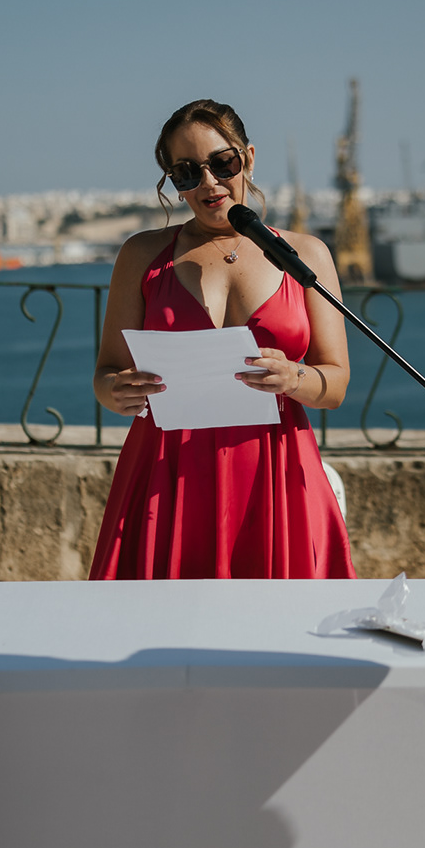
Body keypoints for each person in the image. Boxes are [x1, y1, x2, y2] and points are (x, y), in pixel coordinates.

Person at [89, 99, 357, 579]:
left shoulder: (307, 254)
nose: (209, 183)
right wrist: (118, 391)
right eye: (187, 172)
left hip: (275, 467)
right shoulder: (141, 255)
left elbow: (335, 385)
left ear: (247, 158)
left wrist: (293, 377)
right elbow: (106, 375)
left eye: (222, 163)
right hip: (167, 471)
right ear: (173, 181)